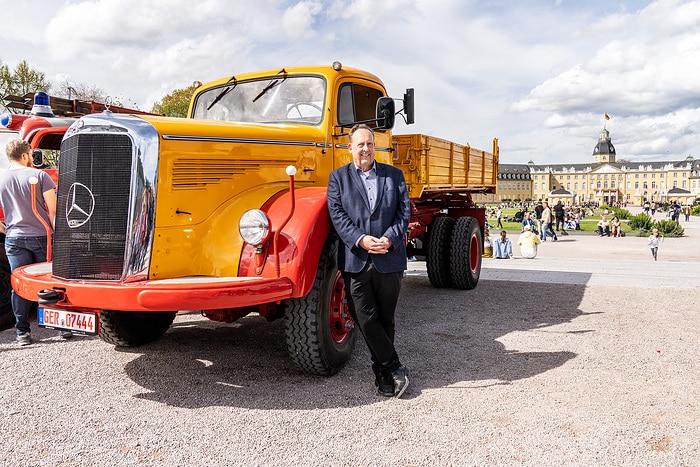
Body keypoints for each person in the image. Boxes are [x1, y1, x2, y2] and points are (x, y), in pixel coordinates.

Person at [327, 124, 411, 398]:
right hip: (356, 259)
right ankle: (395, 367)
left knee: (386, 319)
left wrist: (389, 238)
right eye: (360, 144)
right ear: (349, 147)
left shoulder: (394, 176)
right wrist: (361, 239)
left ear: (376, 147)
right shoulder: (337, 178)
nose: (365, 149)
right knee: (366, 318)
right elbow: (337, 215)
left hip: (389, 258)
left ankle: (382, 374)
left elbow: (404, 213)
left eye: (370, 144)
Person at [0, 140, 68, 346]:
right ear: (24, 156)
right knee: (49, 284)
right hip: (41, 237)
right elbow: (53, 210)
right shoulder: (40, 176)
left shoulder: (1, 177)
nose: (32, 158)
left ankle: (22, 333)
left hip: (14, 239)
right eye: (30, 154)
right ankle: (61, 327)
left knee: (18, 286)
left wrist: (6, 229)